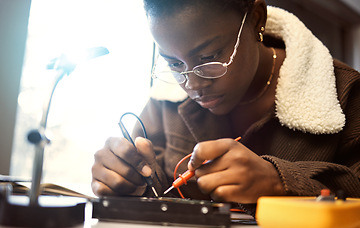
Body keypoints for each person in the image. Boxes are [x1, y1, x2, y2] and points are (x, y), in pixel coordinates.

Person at [91, 0, 360, 215]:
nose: (192, 84)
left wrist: (281, 181)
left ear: (256, 20)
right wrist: (125, 180)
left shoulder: (344, 93)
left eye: (208, 58)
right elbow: (154, 187)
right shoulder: (165, 100)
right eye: (173, 64)